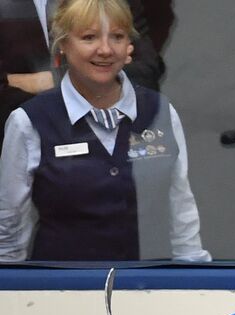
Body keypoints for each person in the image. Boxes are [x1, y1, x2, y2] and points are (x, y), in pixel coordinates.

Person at [0, 0, 207, 261]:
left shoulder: (160, 112)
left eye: (117, 37)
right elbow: (8, 234)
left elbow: (182, 214)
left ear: (130, 46)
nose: (106, 49)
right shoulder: (28, 121)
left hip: (150, 289)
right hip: (56, 292)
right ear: (63, 44)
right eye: (89, 37)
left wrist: (194, 279)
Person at [1, 0, 163, 153]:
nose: (105, 50)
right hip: (25, 147)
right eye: (89, 37)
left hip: (113, 146)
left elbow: (145, 72)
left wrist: (54, 79)